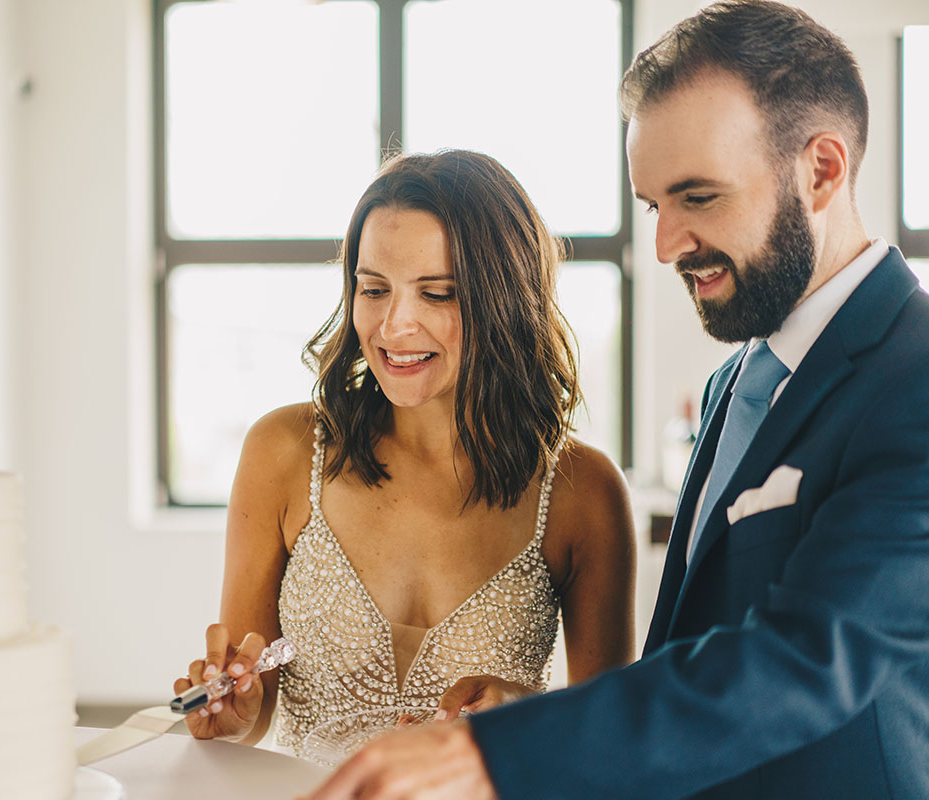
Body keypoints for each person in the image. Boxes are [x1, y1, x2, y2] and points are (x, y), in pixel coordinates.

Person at [303, 2, 929, 798]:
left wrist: (500, 753)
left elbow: (805, 656)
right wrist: (534, 712)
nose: (665, 245)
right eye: (653, 205)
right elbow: (688, 663)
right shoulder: (733, 384)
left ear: (822, 170)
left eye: (698, 198)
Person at [174, 148, 636, 752]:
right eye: (373, 289)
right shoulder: (282, 454)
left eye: (437, 293)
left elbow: (614, 743)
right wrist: (235, 715)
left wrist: (526, 714)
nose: (393, 327)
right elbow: (249, 705)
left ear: (505, 301)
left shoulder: (584, 492)